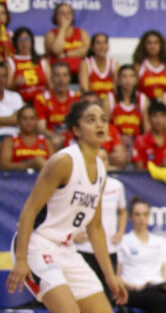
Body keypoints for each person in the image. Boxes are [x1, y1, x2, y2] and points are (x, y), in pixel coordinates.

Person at [5, 100, 128, 311]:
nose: (100, 125)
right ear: (76, 130)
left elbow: (95, 227)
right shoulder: (63, 162)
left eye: (103, 120)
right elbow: (29, 210)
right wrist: (21, 259)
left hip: (67, 249)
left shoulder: (100, 169)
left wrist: (110, 275)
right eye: (91, 120)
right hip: (38, 244)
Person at [117, 197, 166, 313]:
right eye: (137, 214)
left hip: (157, 286)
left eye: (145, 214)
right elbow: (117, 276)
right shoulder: (123, 241)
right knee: (159, 301)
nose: (141, 218)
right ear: (131, 217)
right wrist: (133, 286)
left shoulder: (160, 241)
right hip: (134, 289)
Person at [74, 157, 126, 299]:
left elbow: (122, 211)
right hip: (84, 247)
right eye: (97, 159)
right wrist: (74, 233)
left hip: (109, 247)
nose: (101, 163)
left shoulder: (116, 186)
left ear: (108, 163)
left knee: (108, 295)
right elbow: (68, 212)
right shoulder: (79, 185)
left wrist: (120, 232)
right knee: (85, 295)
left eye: (104, 159)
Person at [131, 100, 166, 169]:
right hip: (146, 179)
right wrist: (161, 168)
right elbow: (138, 172)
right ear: (149, 118)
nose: (159, 120)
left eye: (162, 116)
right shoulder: (140, 141)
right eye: (155, 116)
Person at [44, 2, 90, 79]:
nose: (66, 16)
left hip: (80, 74)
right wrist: (62, 29)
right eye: (62, 13)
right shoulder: (50, 34)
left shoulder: (82, 32)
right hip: (57, 75)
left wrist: (65, 54)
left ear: (72, 16)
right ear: (56, 17)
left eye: (69, 13)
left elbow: (84, 51)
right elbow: (56, 50)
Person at [0, 104, 51, 170]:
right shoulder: (9, 141)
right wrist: (29, 164)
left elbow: (53, 164)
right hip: (14, 178)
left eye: (32, 118)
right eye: (25, 118)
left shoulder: (46, 142)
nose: (28, 122)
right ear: (18, 121)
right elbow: (3, 165)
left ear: (36, 120)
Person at [134, 31, 166, 102]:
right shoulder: (139, 65)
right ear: (144, 45)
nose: (153, 46)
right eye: (149, 43)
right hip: (146, 106)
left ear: (161, 45)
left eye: (156, 43)